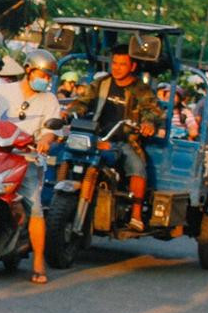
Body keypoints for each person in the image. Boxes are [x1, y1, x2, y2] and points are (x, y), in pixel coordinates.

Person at [67, 45, 161, 231]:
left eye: (122, 64)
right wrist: (71, 112)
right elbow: (82, 101)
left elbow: (151, 111)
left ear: (132, 67)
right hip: (97, 137)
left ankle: (135, 215)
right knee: (63, 154)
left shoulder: (141, 90)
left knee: (138, 168)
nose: (116, 67)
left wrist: (148, 124)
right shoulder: (101, 84)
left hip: (124, 141)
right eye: (114, 63)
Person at [0, 49, 62, 284]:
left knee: (35, 208)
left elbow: (52, 131)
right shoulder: (3, 91)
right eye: (44, 74)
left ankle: (39, 263)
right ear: (29, 70)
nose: (46, 80)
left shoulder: (49, 100)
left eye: (50, 76)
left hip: (28, 159)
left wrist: (45, 140)